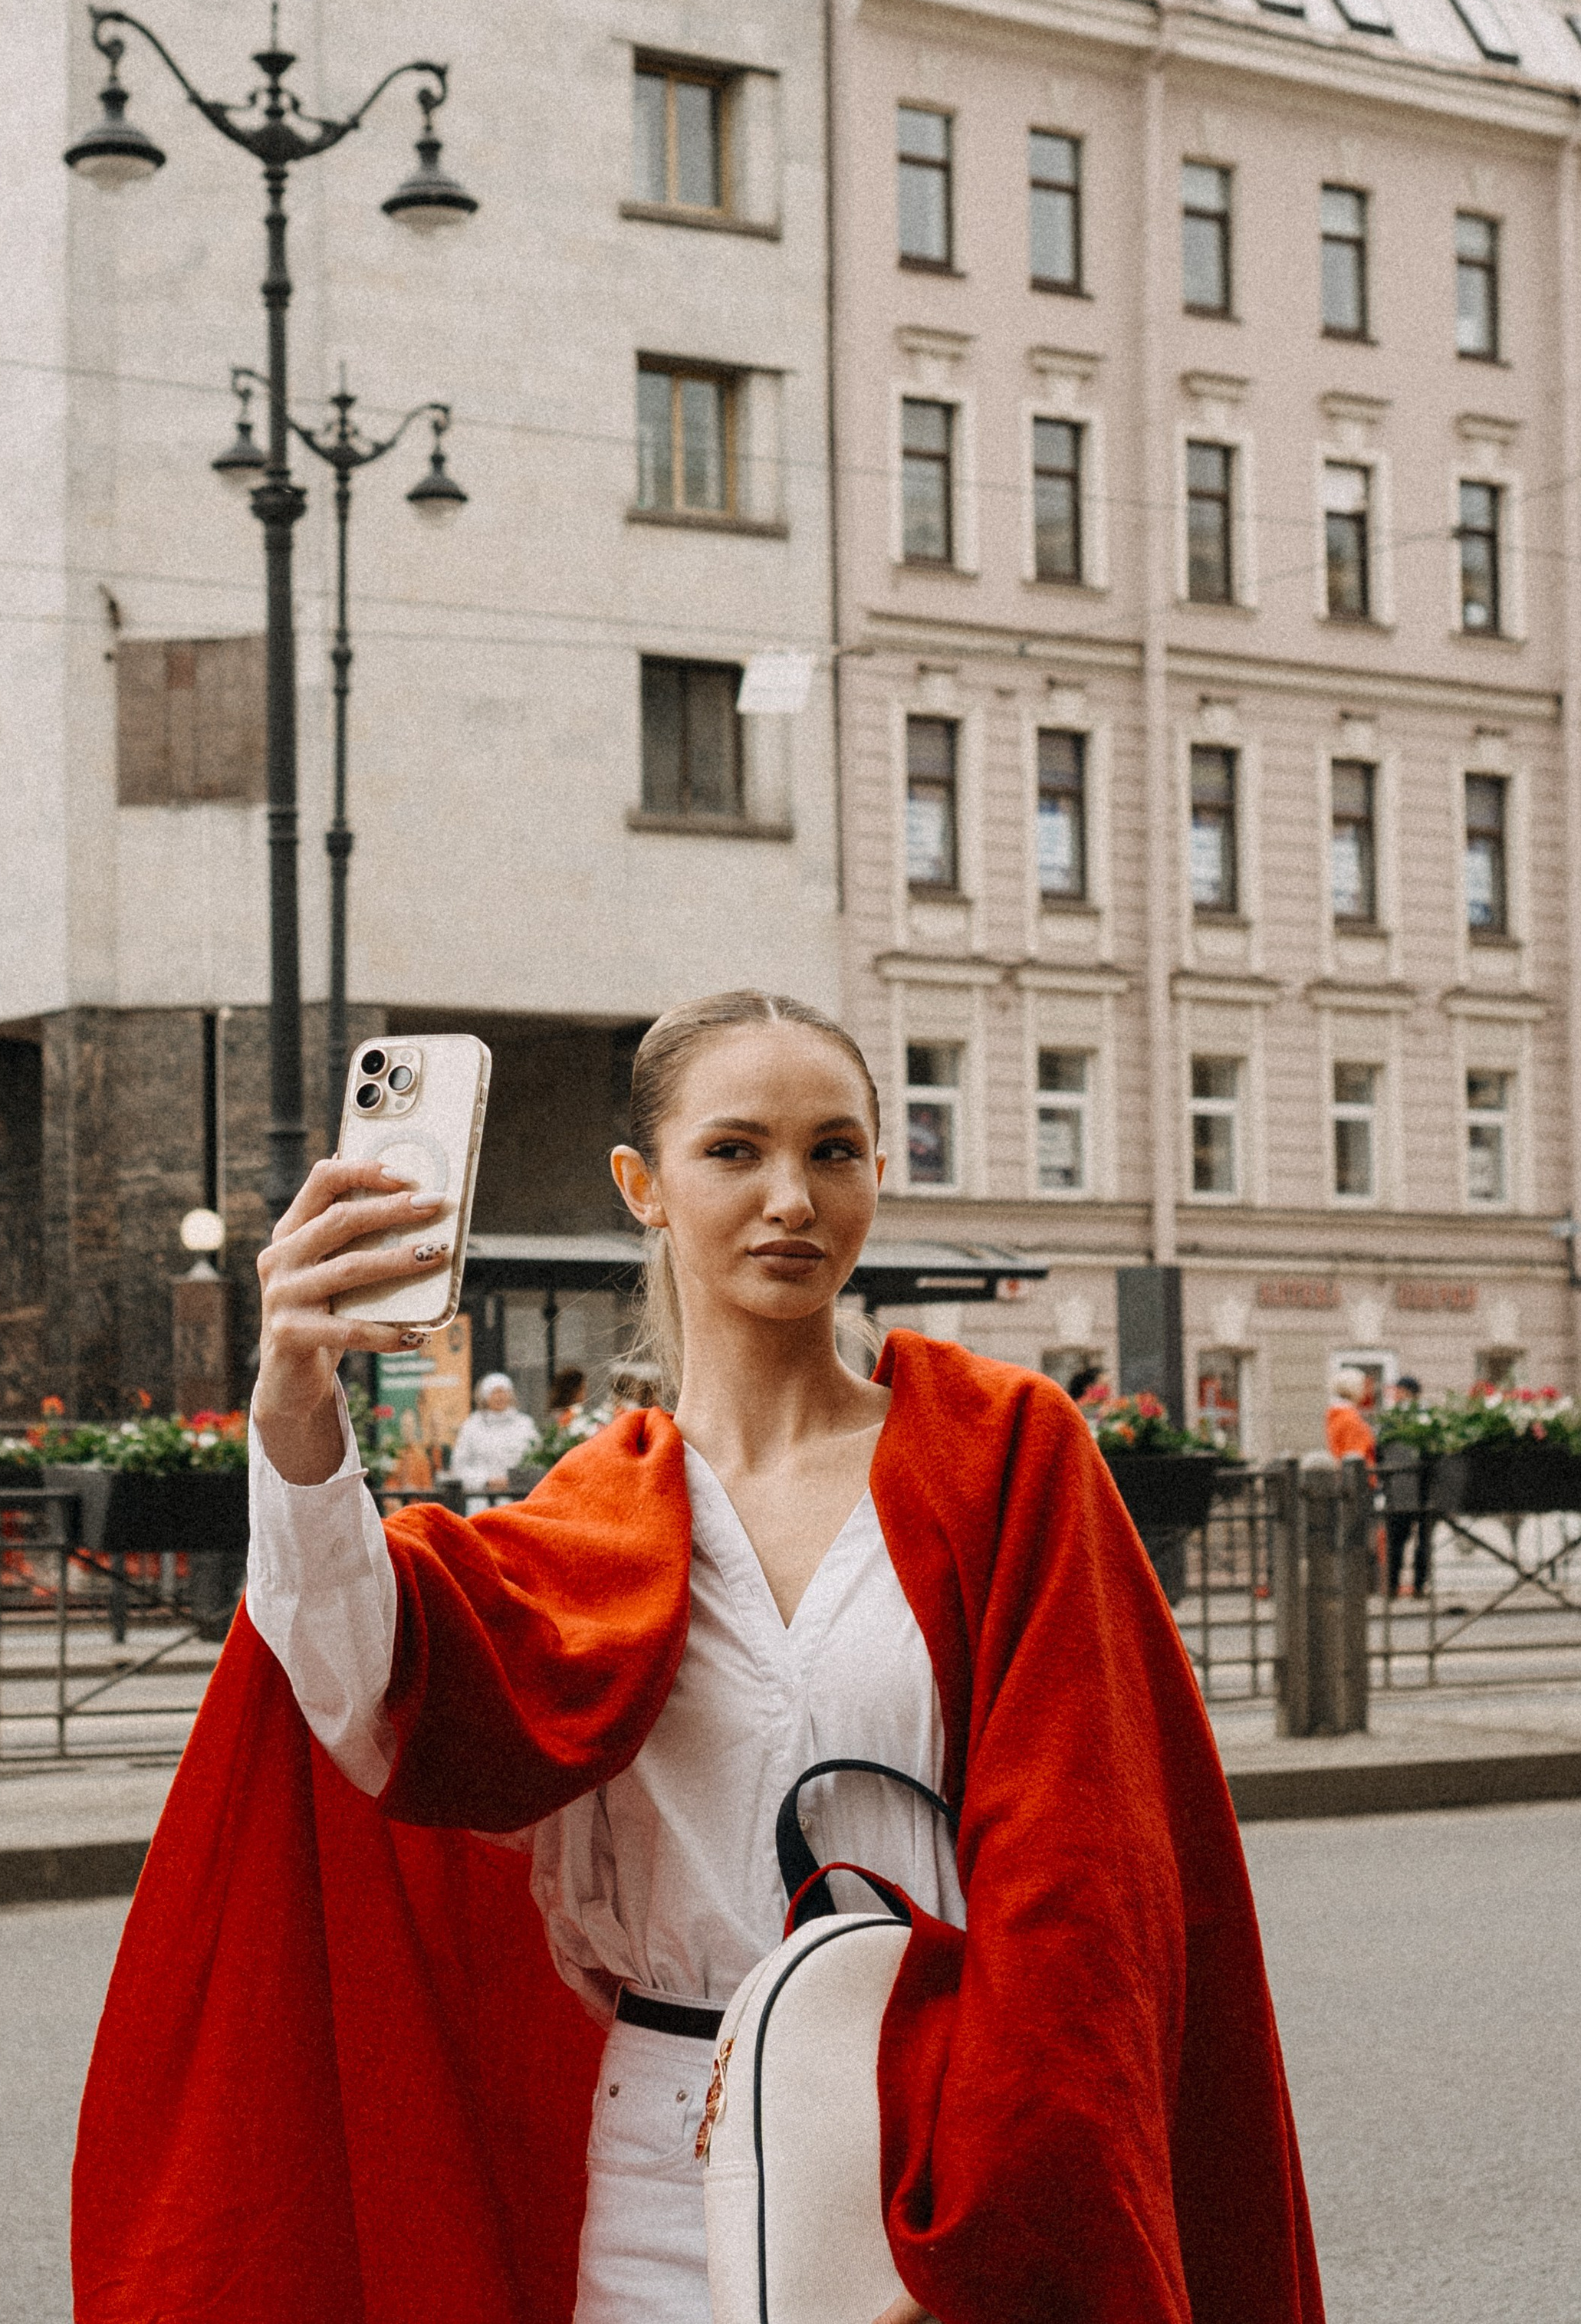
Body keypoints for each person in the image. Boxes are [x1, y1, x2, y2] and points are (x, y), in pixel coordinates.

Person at [74, 989, 1322, 2324]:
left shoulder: (1007, 1455)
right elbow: (359, 1681)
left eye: (833, 1151)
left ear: (880, 1176)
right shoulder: (586, 1515)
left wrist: (985, 2206)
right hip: (665, 2157)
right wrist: (295, 1400)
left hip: (952, 2136)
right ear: (644, 1186)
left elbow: (1093, 1887)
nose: (791, 1195)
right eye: (735, 1151)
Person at [448, 1370, 541, 1508]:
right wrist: (486, 1481)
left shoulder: (525, 1424)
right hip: (482, 1501)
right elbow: (459, 1465)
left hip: (519, 1499)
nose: (500, 1397)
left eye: (503, 1391)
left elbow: (537, 1459)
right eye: (494, 1392)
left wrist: (515, 1480)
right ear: (485, 1396)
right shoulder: (472, 1425)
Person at [1381, 1374, 1433, 1597]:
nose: (1396, 1395)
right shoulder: (1396, 1417)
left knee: (1418, 1542)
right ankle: (1396, 1586)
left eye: (1399, 1391)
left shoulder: (1415, 1417)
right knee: (1399, 1541)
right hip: (1403, 1485)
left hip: (1413, 1485)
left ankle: (1416, 1586)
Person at [1326, 1364, 1378, 1466]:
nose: (1366, 1391)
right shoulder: (1350, 1419)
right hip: (1359, 1477)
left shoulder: (1337, 1415)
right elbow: (1356, 1456)